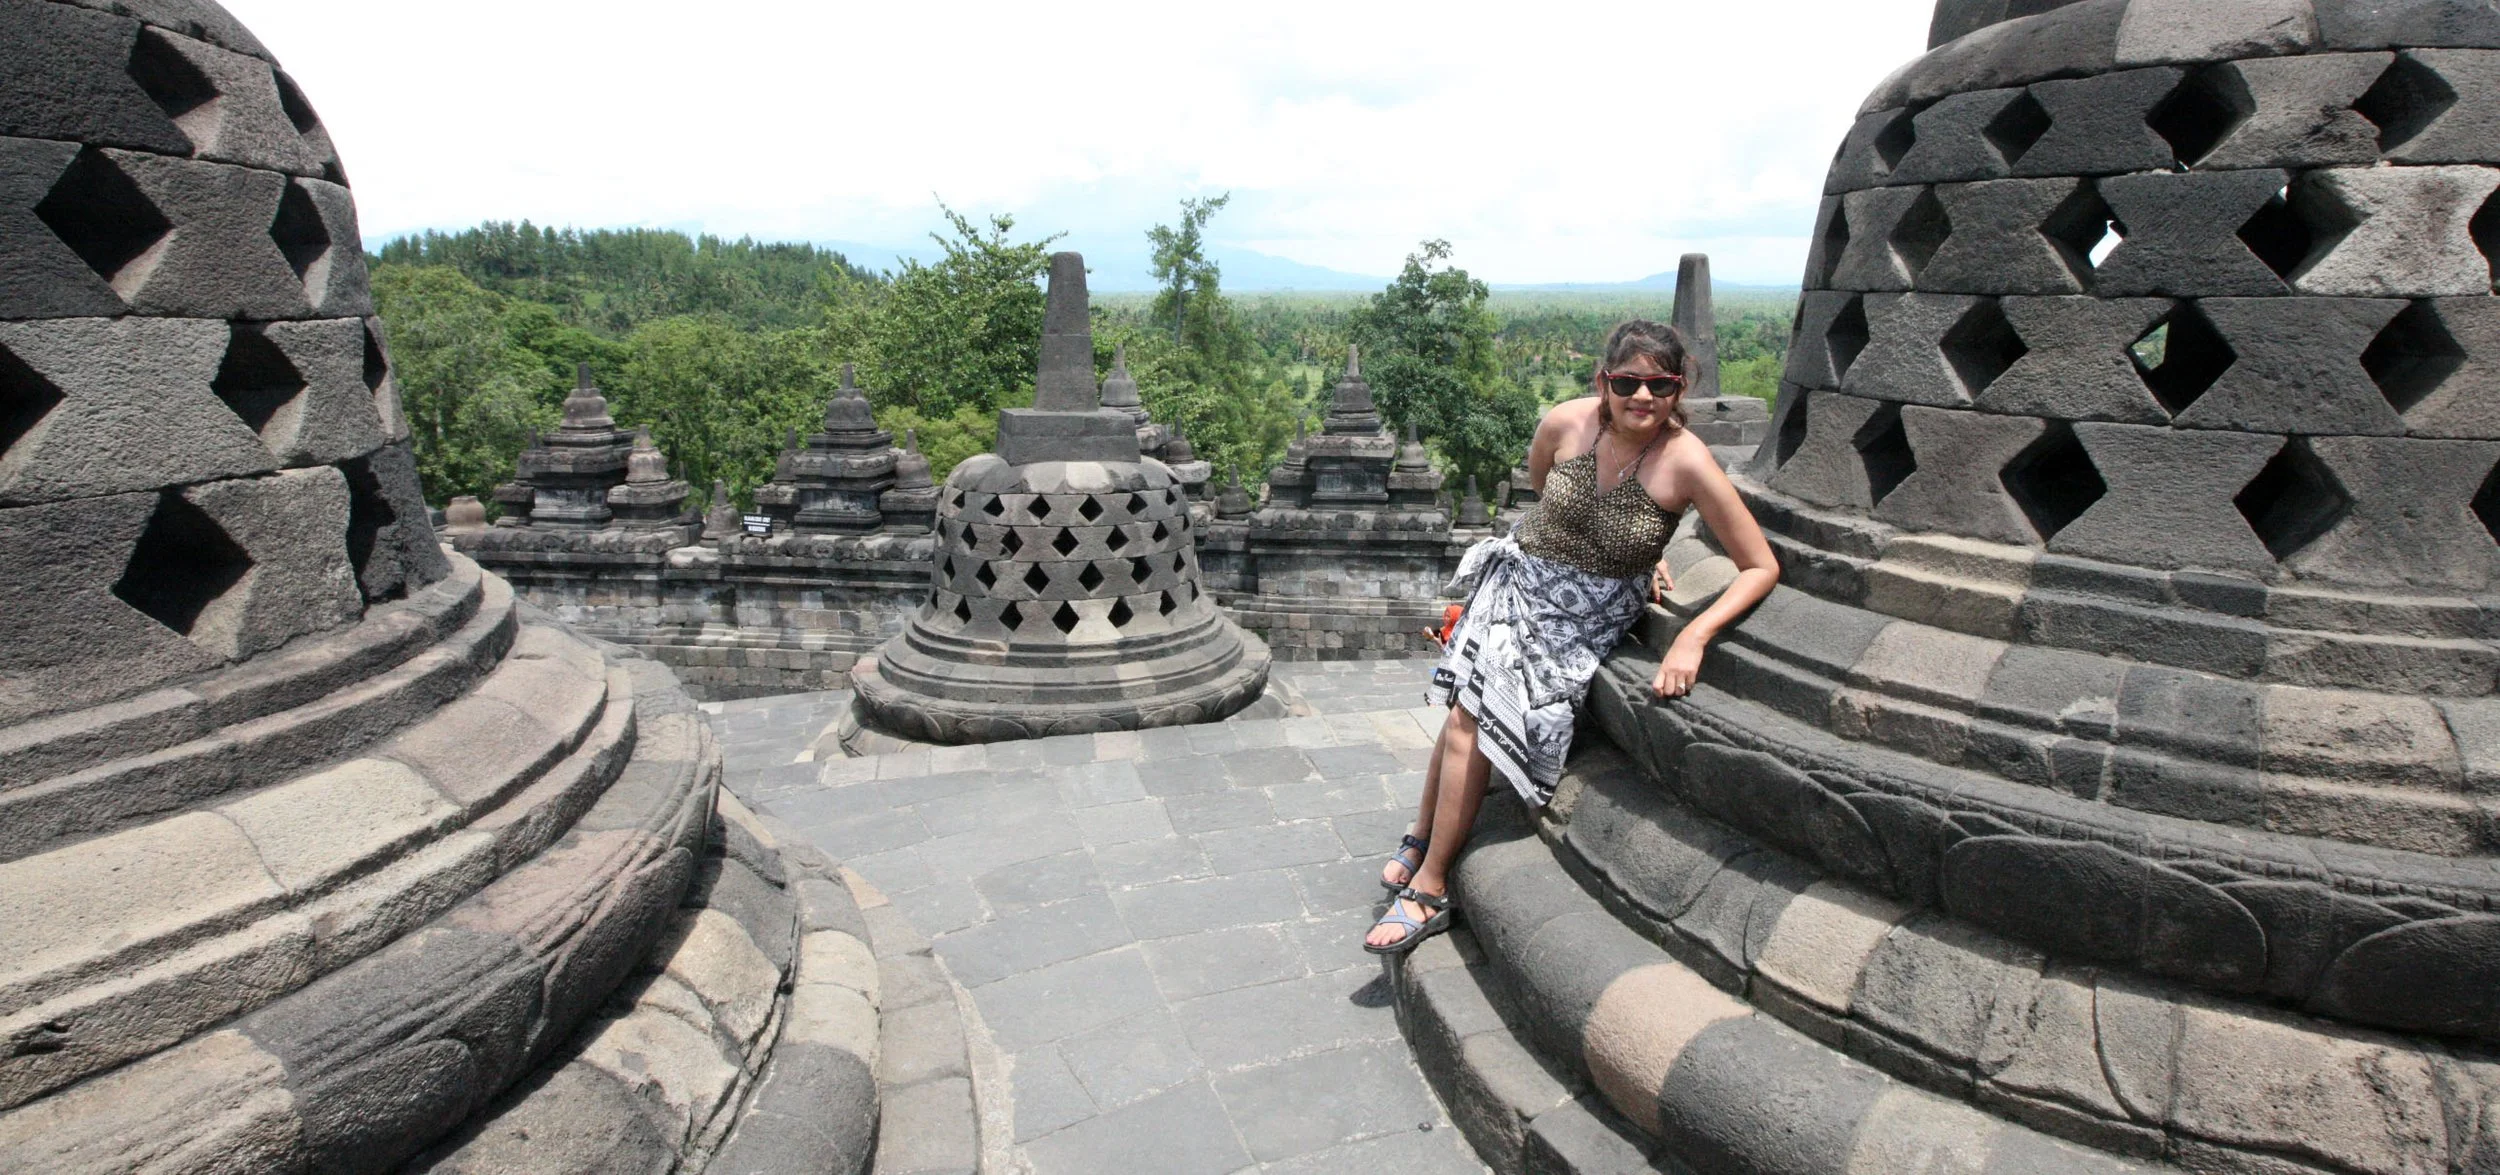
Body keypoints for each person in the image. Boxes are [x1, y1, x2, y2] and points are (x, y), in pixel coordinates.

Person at [1364, 320, 1781, 953]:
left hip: (1588, 618)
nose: (1643, 397)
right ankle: (1429, 863)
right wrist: (1603, 538)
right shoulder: (1566, 423)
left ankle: (1428, 871)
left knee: (1469, 714)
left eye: (1661, 385)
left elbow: (1760, 565)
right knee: (1467, 712)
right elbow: (1542, 489)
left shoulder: (1687, 460)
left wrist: (1691, 634)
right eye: (1627, 382)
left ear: (1679, 389)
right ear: (1603, 381)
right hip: (1521, 580)